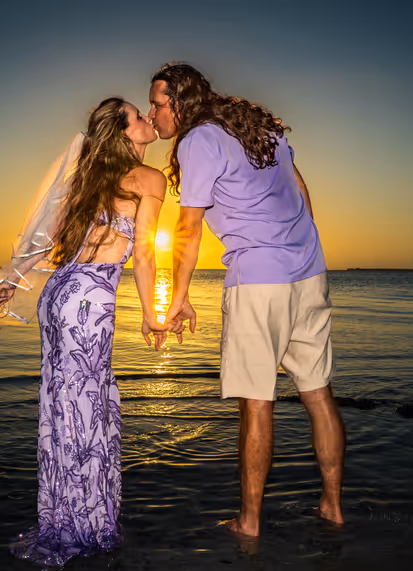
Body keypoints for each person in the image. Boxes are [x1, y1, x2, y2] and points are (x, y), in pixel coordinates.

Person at [147, 63, 346, 538]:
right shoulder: (257, 129)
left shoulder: (198, 140)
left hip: (258, 282)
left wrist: (177, 298)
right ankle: (333, 508)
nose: (152, 115)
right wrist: (303, 246)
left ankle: (250, 522)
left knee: (256, 404)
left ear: (180, 102)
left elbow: (188, 228)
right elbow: (300, 187)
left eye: (156, 104)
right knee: (318, 394)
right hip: (309, 272)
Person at [0, 97, 169, 566]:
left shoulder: (90, 180)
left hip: (58, 296)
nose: (148, 119)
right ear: (124, 133)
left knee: (63, 405)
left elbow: (45, 240)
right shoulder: (149, 179)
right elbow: (144, 253)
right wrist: (152, 313)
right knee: (86, 407)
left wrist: (9, 282)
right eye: (139, 116)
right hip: (89, 301)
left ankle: (64, 518)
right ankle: (85, 525)